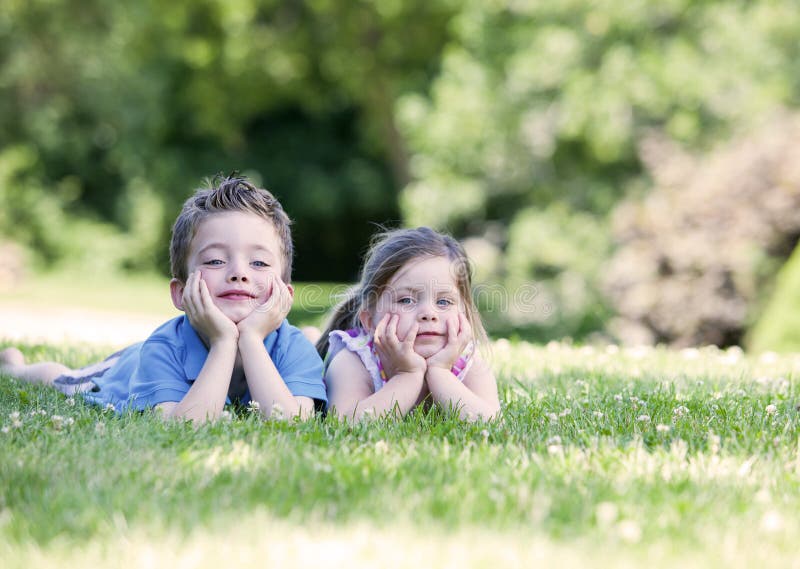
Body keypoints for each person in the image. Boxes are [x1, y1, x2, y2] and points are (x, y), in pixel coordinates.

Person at [0, 175, 326, 423]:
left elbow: (290, 422)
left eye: (259, 262)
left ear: (286, 292)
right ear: (181, 293)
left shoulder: (292, 346)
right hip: (124, 371)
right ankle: (16, 368)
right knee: (63, 379)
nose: (239, 273)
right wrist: (224, 341)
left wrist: (251, 338)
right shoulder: (162, 349)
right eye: (215, 261)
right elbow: (186, 426)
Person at [316, 227, 500, 422]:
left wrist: (440, 372)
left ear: (464, 314)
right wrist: (408, 375)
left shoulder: (467, 362)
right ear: (370, 321)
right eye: (406, 300)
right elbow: (345, 422)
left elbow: (491, 422)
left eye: (444, 302)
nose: (429, 314)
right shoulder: (355, 360)